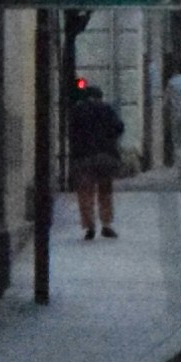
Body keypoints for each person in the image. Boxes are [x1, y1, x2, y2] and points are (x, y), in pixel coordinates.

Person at [66, 68, 124, 240]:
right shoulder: (107, 109)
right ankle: (106, 224)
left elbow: (71, 132)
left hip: (83, 157)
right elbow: (119, 128)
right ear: (100, 97)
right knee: (105, 190)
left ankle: (89, 225)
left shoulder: (78, 110)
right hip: (105, 155)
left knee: (85, 191)